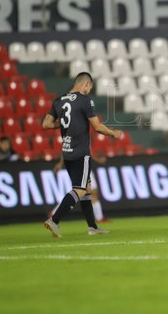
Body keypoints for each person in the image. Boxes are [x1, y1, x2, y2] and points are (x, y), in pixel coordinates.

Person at [42, 72, 122, 238]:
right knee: (79, 190)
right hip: (81, 151)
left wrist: (63, 123)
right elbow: (97, 127)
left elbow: (46, 124)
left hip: (67, 151)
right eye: (90, 87)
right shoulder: (85, 100)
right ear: (86, 84)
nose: (89, 91)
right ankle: (54, 220)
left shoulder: (59, 99)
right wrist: (114, 133)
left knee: (86, 189)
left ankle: (93, 227)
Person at [52, 154, 108, 223]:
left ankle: (99, 217)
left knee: (85, 193)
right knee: (83, 192)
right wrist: (98, 160)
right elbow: (84, 151)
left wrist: (60, 164)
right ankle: (99, 218)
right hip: (82, 167)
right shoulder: (80, 144)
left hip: (81, 166)